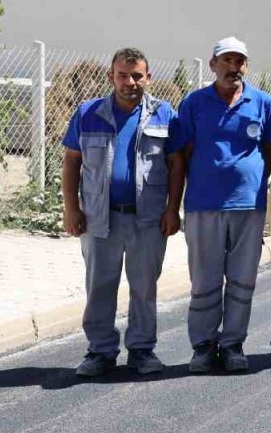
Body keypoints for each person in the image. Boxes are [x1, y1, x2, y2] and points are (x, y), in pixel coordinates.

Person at [61, 48, 182, 377]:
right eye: (123, 75)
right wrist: (71, 208)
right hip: (100, 218)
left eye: (137, 76)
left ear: (148, 77)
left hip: (148, 218)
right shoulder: (88, 113)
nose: (130, 82)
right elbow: (72, 161)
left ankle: (142, 350)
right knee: (100, 285)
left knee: (144, 287)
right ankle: (100, 351)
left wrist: (173, 209)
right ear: (111, 77)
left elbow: (176, 164)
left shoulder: (164, 113)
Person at [173, 37, 271, 373]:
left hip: (248, 206)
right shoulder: (194, 103)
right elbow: (182, 152)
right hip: (203, 205)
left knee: (242, 279)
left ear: (246, 66)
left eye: (240, 61)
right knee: (204, 280)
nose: (233, 68)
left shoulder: (262, 103)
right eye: (226, 61)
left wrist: (250, 180)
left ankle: (233, 344)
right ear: (213, 65)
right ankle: (203, 347)